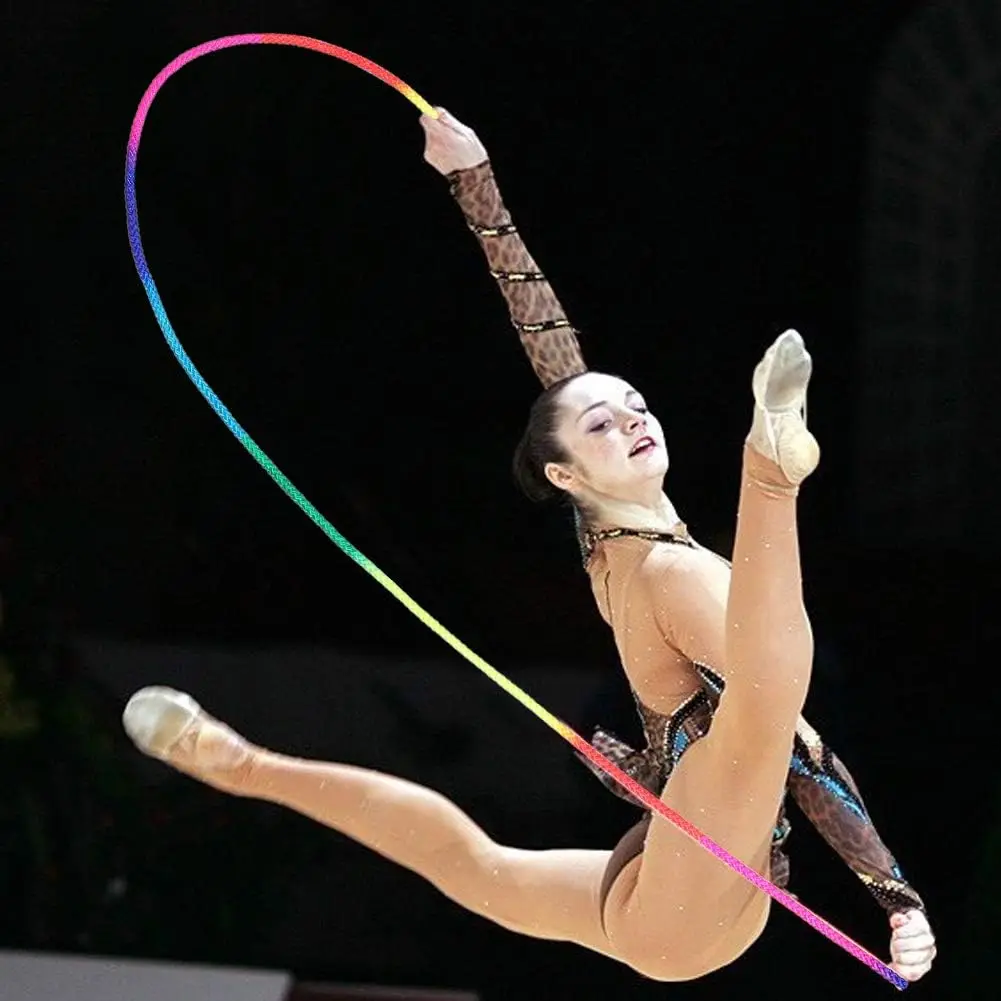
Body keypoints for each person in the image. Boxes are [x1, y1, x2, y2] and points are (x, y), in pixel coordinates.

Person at [119, 109, 936, 984]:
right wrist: (894, 894)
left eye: (635, 405)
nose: (630, 416)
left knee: (480, 865)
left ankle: (245, 764)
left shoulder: (609, 533)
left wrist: (474, 184)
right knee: (764, 711)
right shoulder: (664, 569)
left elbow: (553, 355)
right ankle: (769, 471)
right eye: (603, 421)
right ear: (562, 475)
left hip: (664, 883)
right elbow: (802, 749)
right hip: (693, 894)